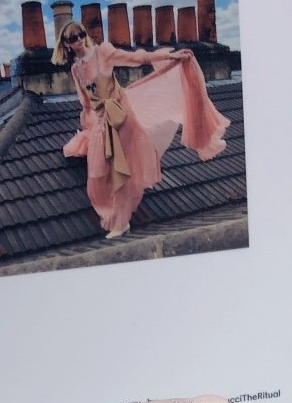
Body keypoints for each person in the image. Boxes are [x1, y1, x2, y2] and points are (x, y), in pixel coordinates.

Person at [54, 21, 232, 239]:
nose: (79, 39)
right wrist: (87, 125)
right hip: (102, 120)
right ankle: (115, 215)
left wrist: (169, 56)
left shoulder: (103, 53)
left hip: (121, 118)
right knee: (97, 172)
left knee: (120, 169)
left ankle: (120, 222)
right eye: (73, 38)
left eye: (81, 34)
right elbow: (85, 101)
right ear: (66, 44)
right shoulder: (76, 69)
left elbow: (136, 58)